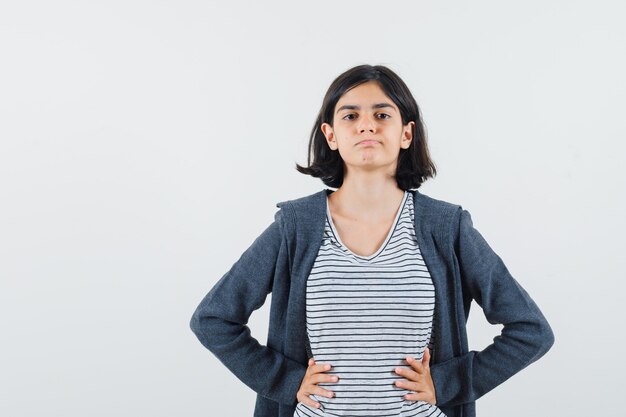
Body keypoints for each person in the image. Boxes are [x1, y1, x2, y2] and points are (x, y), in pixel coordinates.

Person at [189, 64, 555, 417]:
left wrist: (449, 383)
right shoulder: (295, 228)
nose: (367, 125)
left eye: (382, 115)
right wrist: (286, 380)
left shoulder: (446, 228)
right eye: (350, 116)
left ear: (406, 134)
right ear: (330, 135)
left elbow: (531, 331)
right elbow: (213, 319)